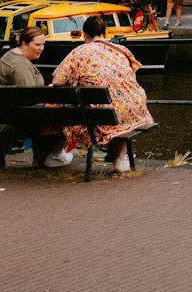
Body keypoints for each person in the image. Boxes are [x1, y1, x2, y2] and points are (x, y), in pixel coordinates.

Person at [52, 14, 155, 173]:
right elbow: (132, 77)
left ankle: (56, 153)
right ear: (104, 34)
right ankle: (120, 160)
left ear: (86, 35)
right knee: (119, 110)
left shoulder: (80, 51)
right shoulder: (121, 50)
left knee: (71, 108)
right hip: (134, 111)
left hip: (99, 118)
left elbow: (58, 81)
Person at [0, 25, 73, 168]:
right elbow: (29, 99)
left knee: (53, 111)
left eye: (43, 44)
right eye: (37, 44)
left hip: (2, 118)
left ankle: (44, 158)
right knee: (64, 114)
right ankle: (53, 156)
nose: (41, 48)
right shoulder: (20, 66)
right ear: (25, 44)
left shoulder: (11, 56)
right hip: (10, 125)